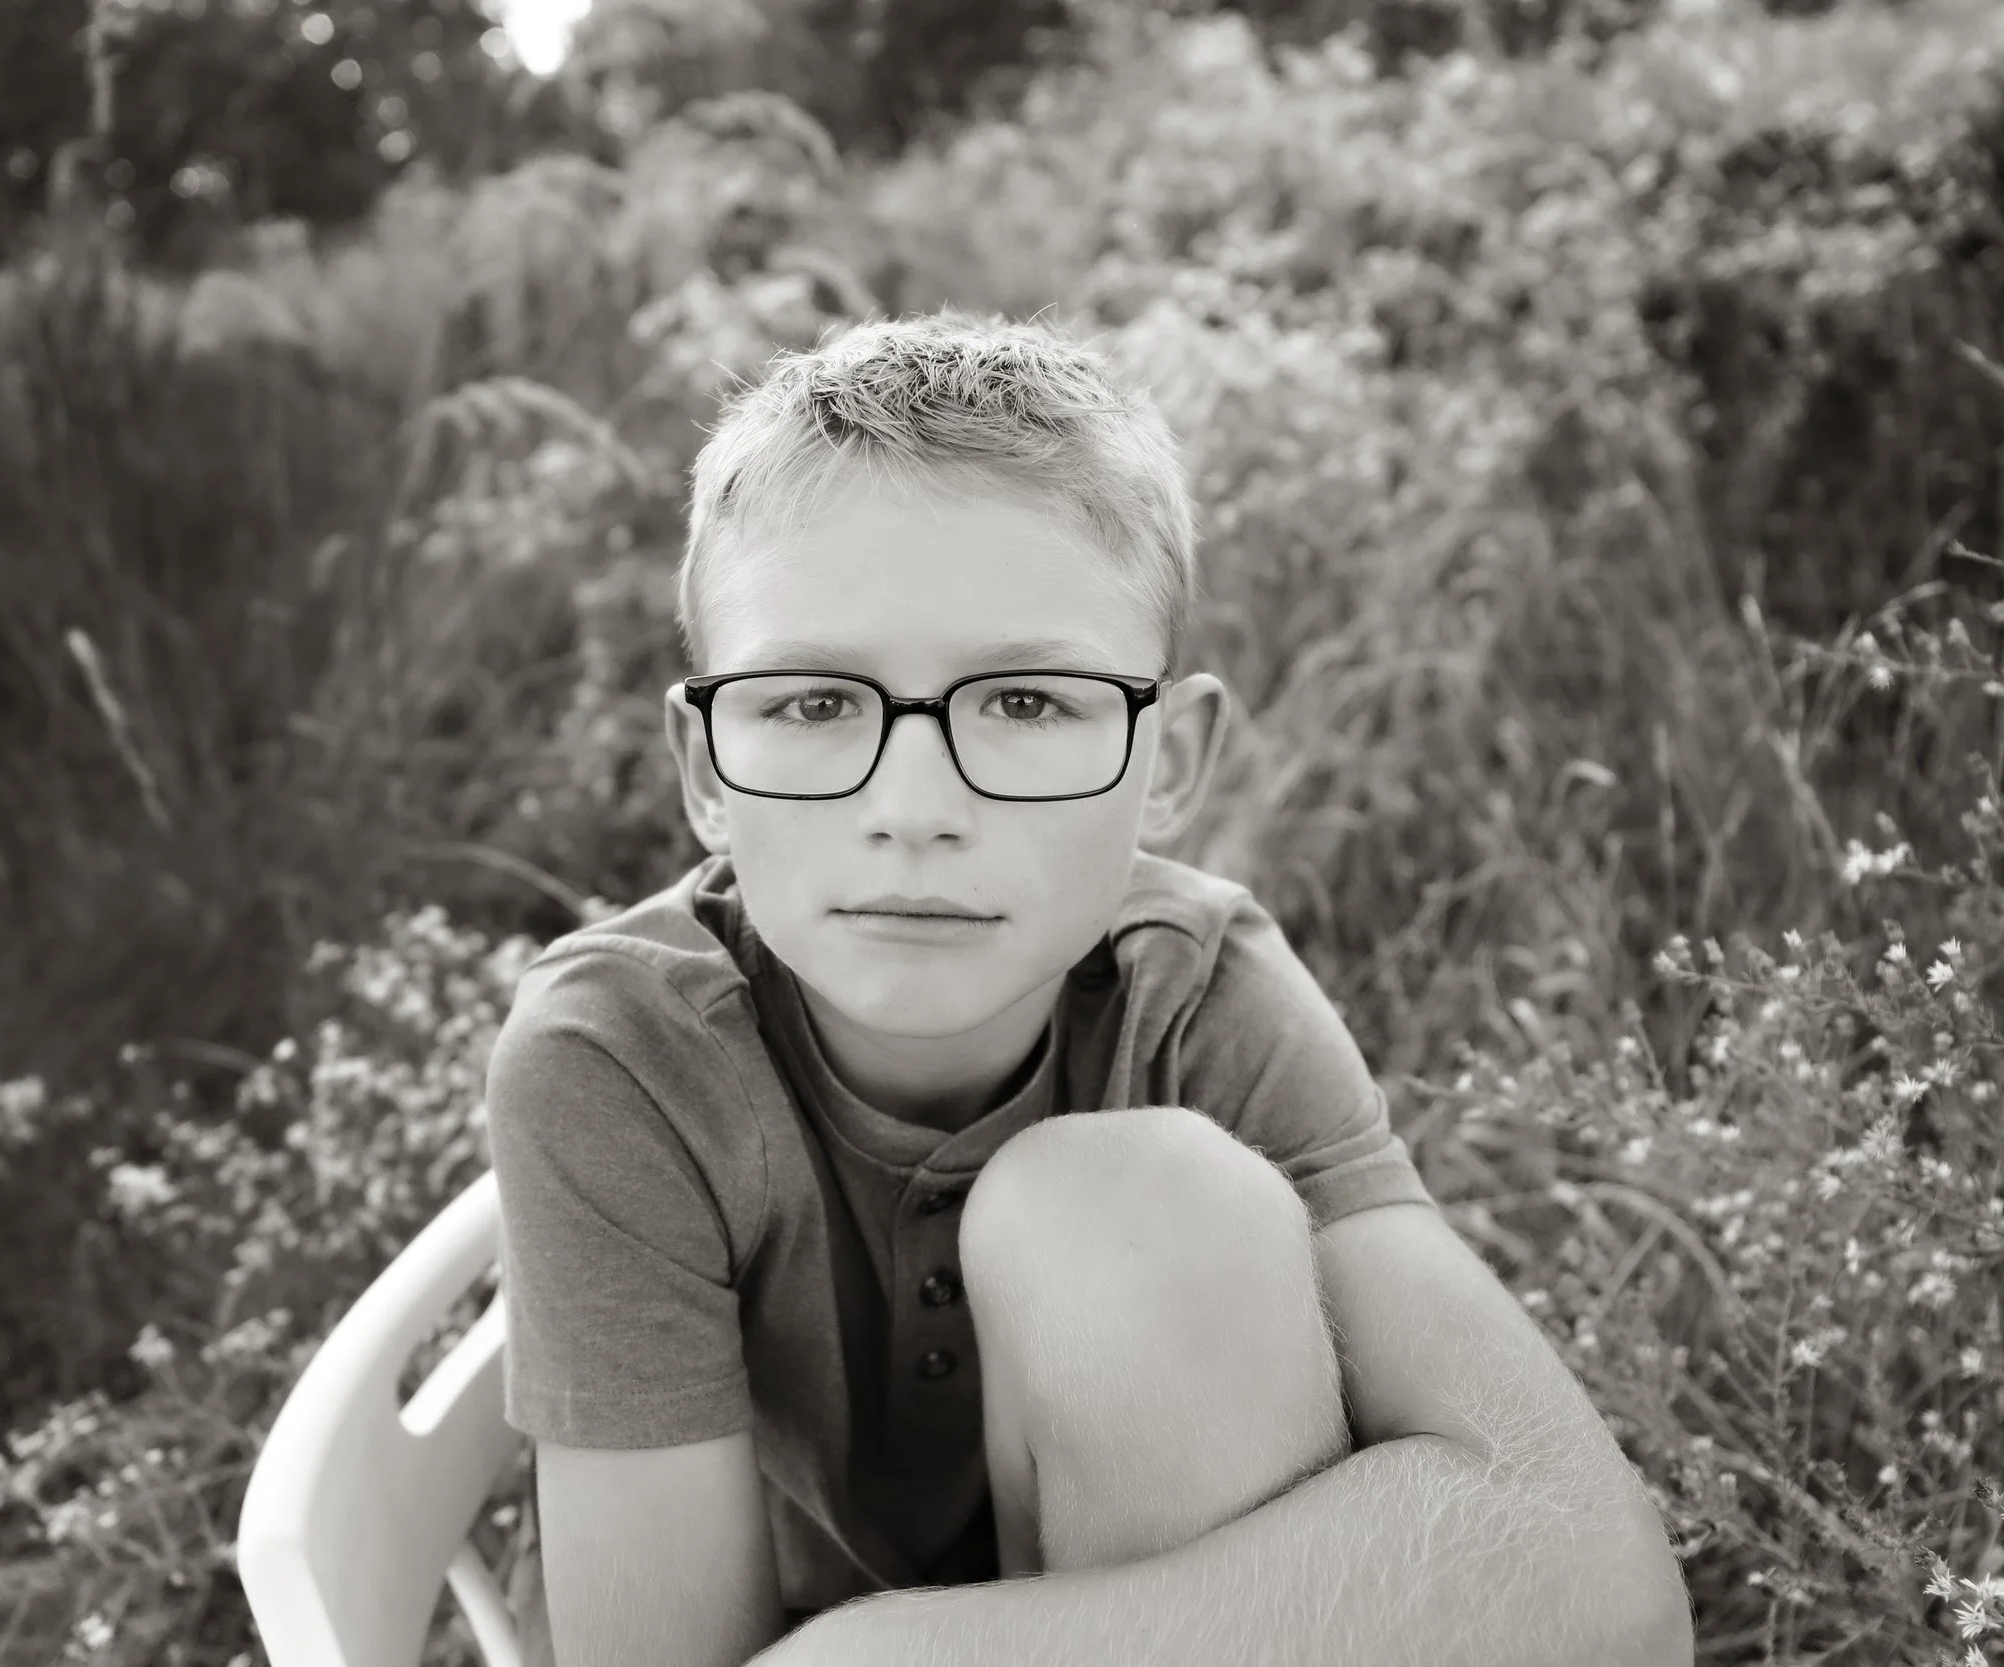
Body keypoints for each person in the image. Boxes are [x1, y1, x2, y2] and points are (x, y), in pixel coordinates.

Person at [481, 311, 1692, 1667]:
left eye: (1028, 703)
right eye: (814, 704)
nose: (914, 806)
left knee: (1137, 1209)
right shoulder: (621, 1058)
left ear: (1167, 761)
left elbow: (1600, 1581)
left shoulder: (1198, 995)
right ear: (704, 766)